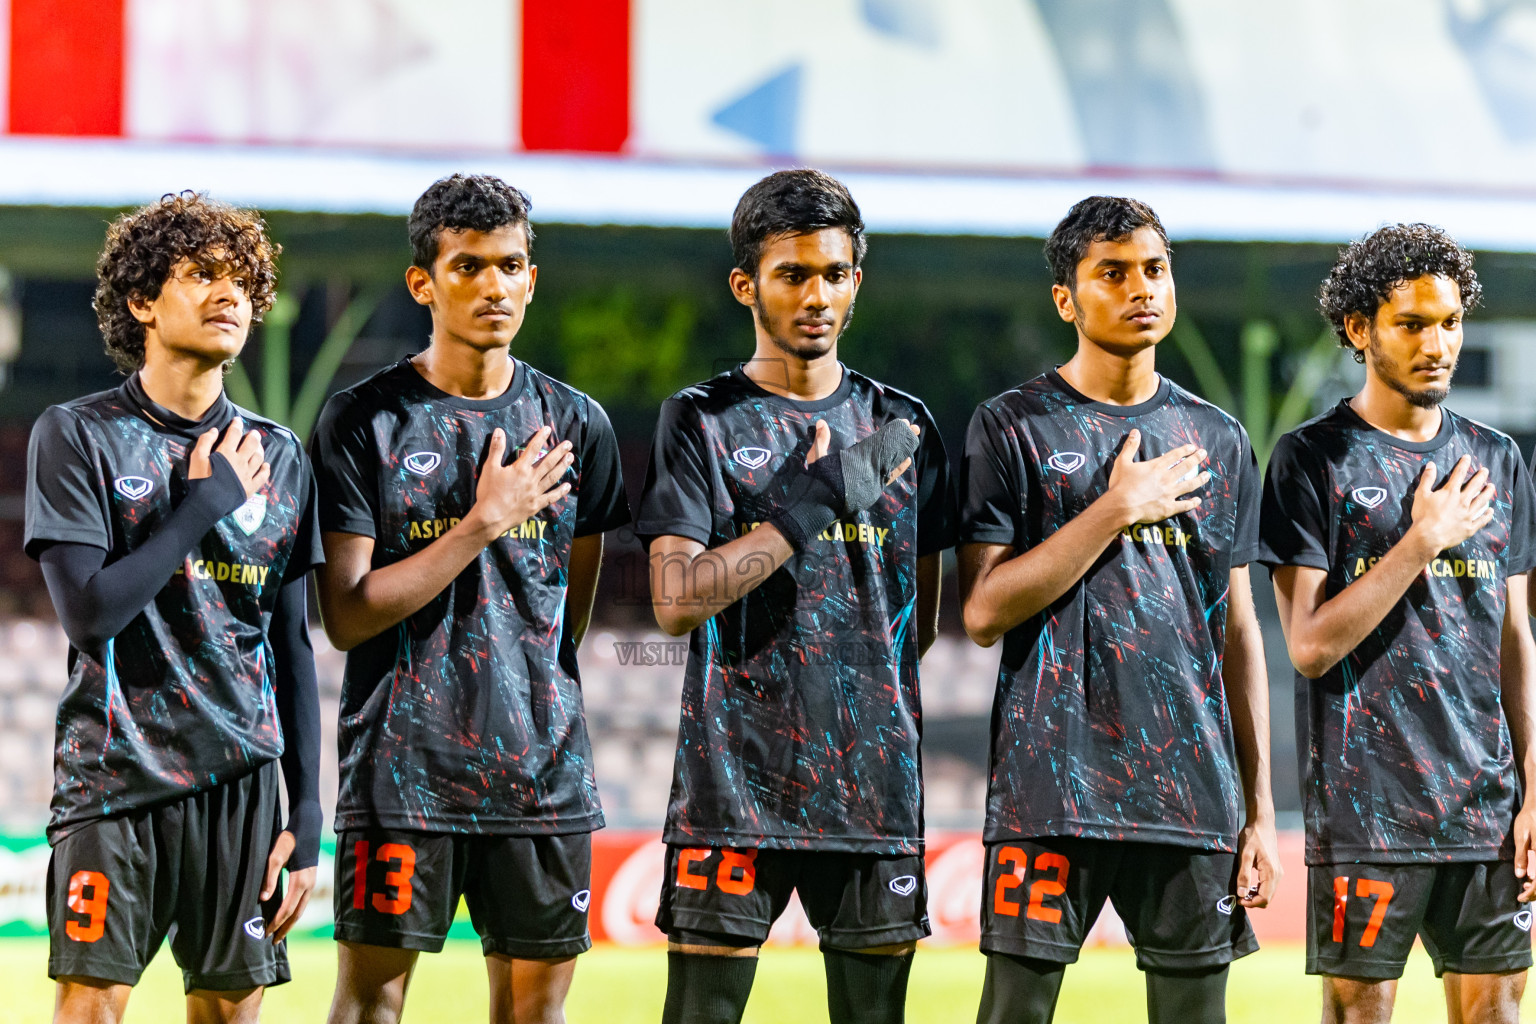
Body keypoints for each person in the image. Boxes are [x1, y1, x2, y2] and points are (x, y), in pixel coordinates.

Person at [635, 168, 956, 1024]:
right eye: (792, 275)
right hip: (731, 788)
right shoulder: (702, 419)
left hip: (874, 786)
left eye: (833, 274)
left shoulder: (904, 426)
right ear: (747, 285)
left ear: (857, 280)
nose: (816, 295)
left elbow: (912, 621)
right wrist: (811, 503)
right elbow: (675, 599)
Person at [310, 174, 630, 1024]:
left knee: (534, 1012)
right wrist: (482, 523)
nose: (493, 285)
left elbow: (568, 610)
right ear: (425, 282)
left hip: (541, 773)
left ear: (532, 277)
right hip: (400, 770)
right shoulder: (364, 420)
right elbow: (344, 615)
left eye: (511, 265)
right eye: (469, 266)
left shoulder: (578, 424)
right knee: (369, 1004)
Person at [958, 195, 1279, 1024]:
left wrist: (1260, 811)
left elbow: (1238, 629)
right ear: (1066, 298)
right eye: (1113, 273)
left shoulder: (1219, 438)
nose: (1142, 288)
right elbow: (984, 610)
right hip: (1048, 790)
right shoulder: (1011, 426)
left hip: (1193, 795)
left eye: (1155, 269)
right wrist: (1114, 509)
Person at [24, 191, 323, 1024]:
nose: (230, 295)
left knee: (230, 1012)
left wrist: (306, 812)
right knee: (90, 1007)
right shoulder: (76, 434)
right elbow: (90, 615)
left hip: (243, 785)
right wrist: (200, 507)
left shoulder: (283, 455)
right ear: (142, 301)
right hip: (117, 777)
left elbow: (291, 645)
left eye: (241, 281)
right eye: (201, 276)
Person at [1260, 223, 1536, 1024]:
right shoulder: (1312, 459)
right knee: (1358, 1016)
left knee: (1496, 1015)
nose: (1437, 343)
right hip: (1365, 812)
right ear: (1359, 329)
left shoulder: (1497, 460)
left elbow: (1515, 640)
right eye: (1412, 324)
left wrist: (1532, 794)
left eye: (1450, 322)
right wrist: (1420, 541)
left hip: (1486, 809)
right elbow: (1309, 645)